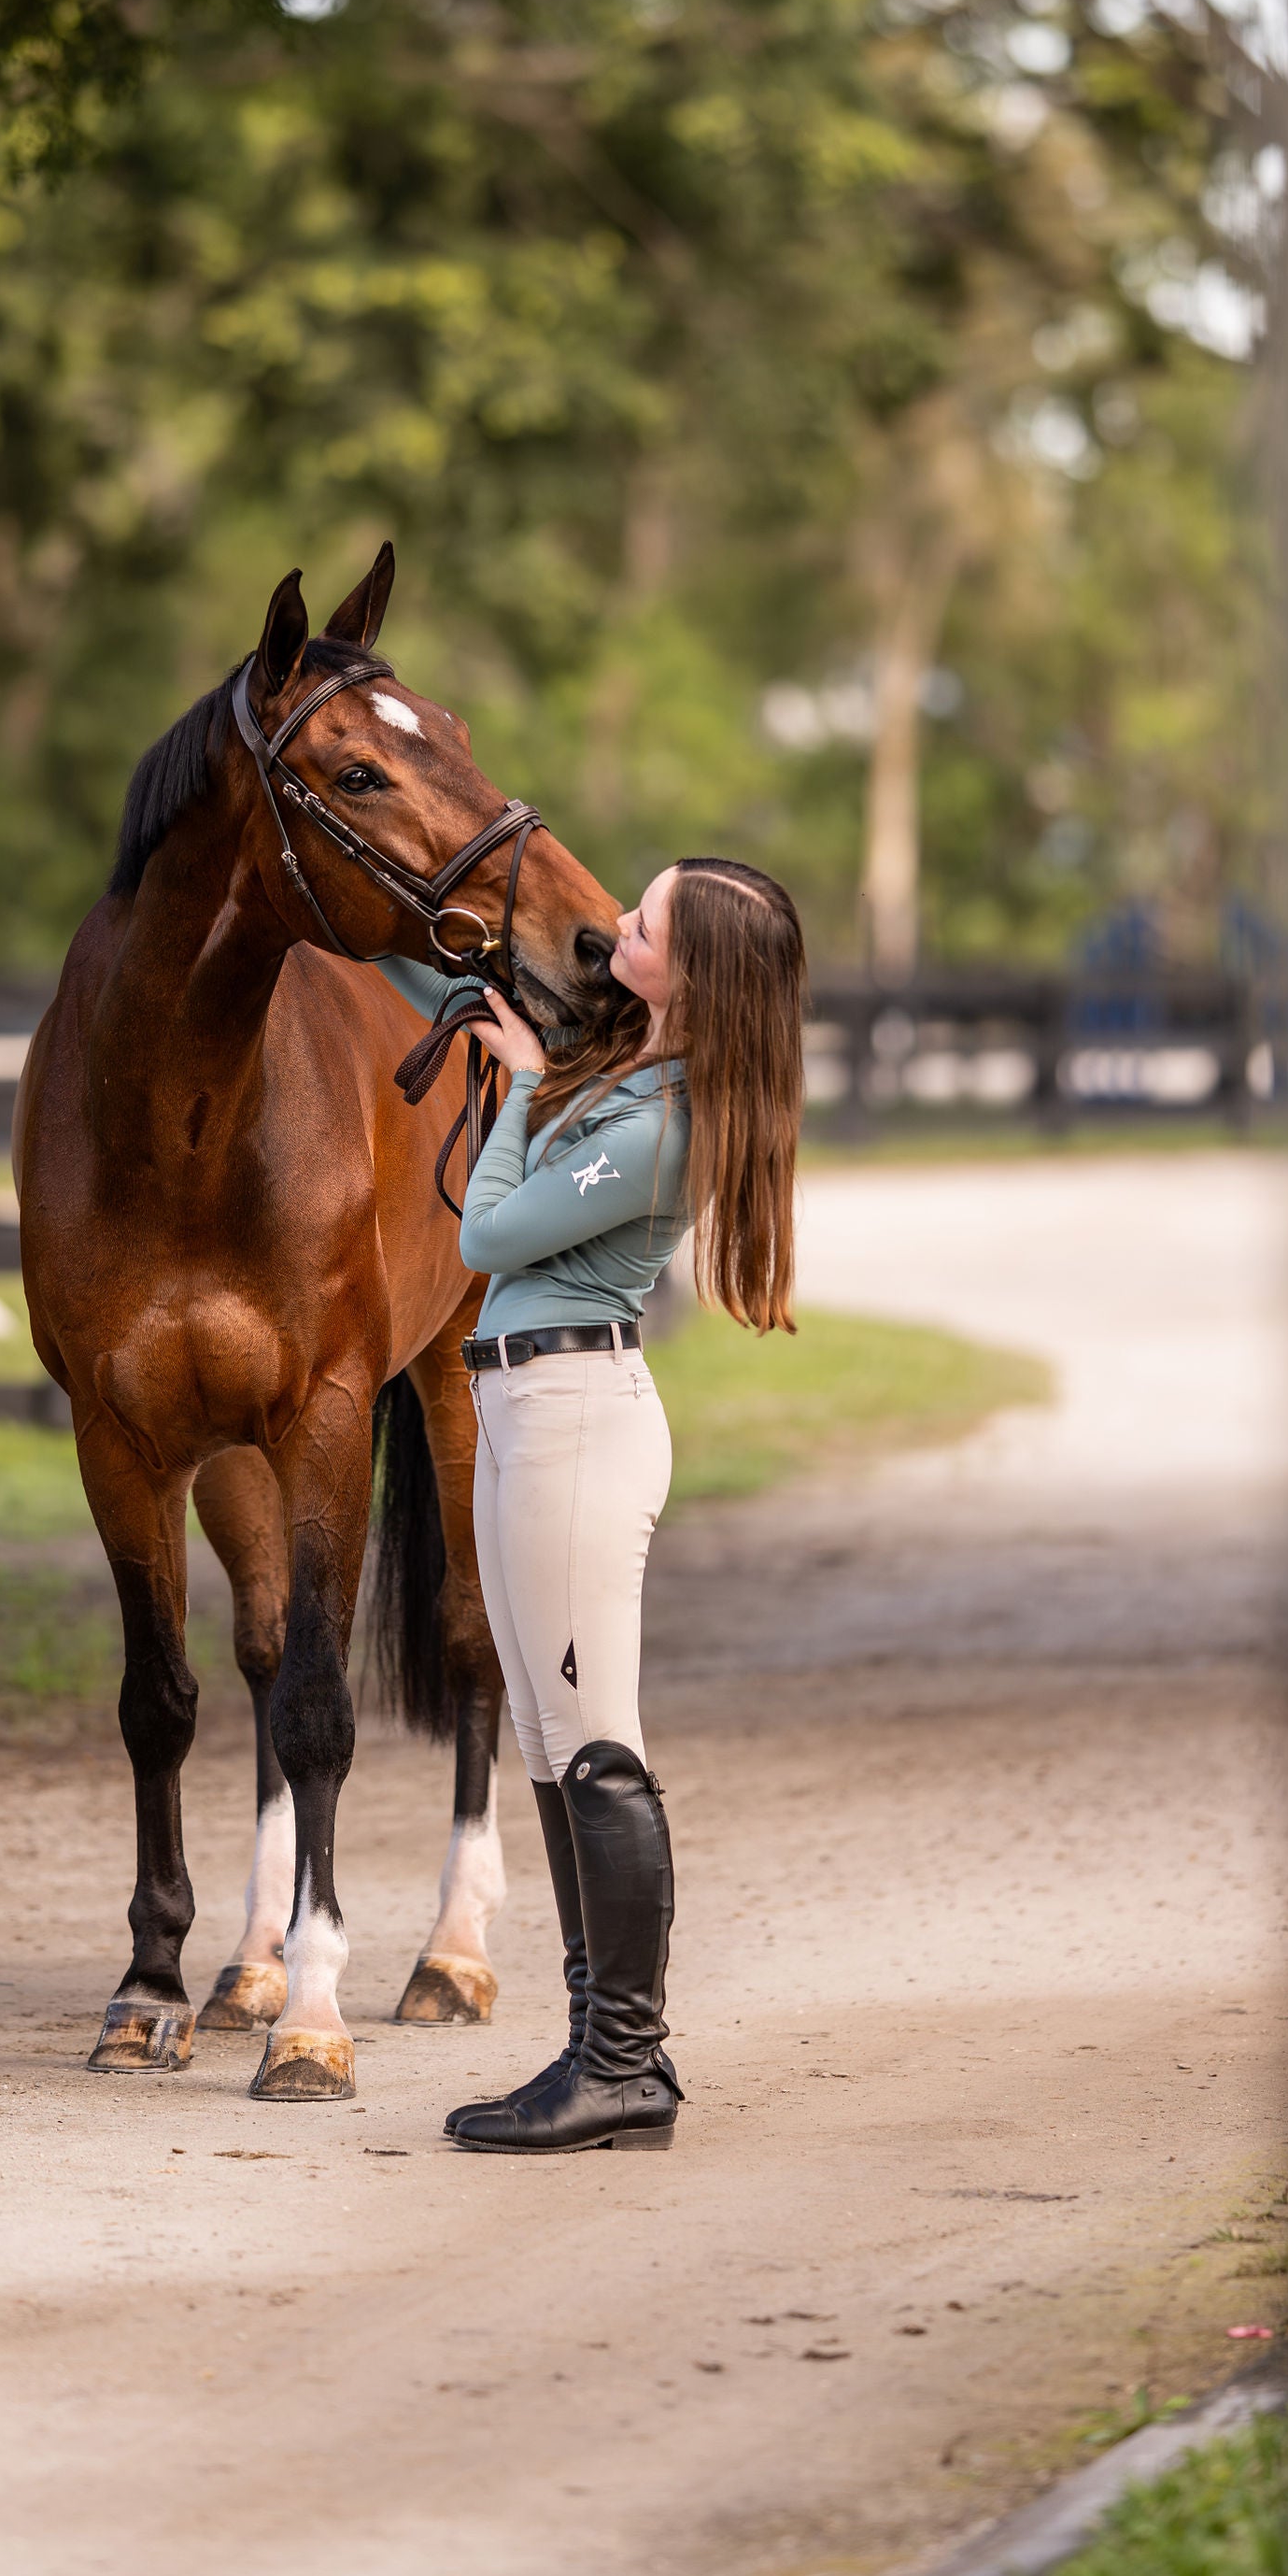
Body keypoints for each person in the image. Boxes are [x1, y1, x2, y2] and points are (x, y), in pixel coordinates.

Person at [378, 854, 807, 2156]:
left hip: (574, 1420)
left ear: (699, 975)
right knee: (548, 1739)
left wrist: (516, 1087)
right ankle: (596, 2049)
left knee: (593, 1743)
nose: (619, 922)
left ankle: (625, 2061)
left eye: (647, 921)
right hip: (522, 1410)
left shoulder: (666, 1127)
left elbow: (487, 1239)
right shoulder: (632, 1070)